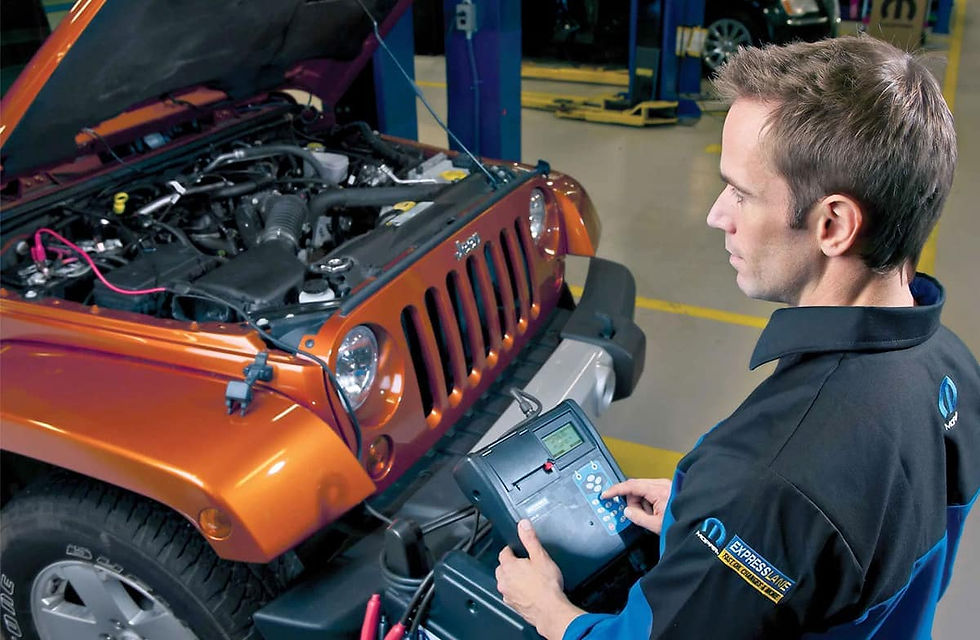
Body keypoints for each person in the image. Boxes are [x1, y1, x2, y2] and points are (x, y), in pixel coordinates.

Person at [496, 35, 980, 639]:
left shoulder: (766, 477)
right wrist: (699, 516)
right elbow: (853, 537)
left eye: (742, 193)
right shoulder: (952, 365)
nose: (716, 214)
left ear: (833, 224)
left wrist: (552, 613)